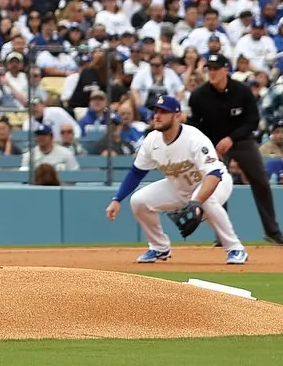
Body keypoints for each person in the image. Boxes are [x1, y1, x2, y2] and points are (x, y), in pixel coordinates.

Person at [105, 93, 247, 264]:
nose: (157, 115)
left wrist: (197, 202)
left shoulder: (194, 138)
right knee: (138, 201)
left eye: (163, 111)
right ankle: (159, 248)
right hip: (180, 185)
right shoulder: (152, 140)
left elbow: (214, 174)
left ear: (177, 115)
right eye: (155, 110)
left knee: (208, 201)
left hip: (215, 181)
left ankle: (235, 248)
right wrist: (117, 199)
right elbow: (137, 172)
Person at [188, 53, 283, 245]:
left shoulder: (242, 91)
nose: (212, 73)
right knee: (216, 184)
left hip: (241, 140)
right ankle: (221, 236)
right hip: (212, 144)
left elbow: (252, 120)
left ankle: (272, 231)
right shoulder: (199, 96)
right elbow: (193, 124)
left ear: (226, 70)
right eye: (209, 69)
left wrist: (231, 138)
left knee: (261, 181)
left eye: (216, 68)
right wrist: (206, 145)